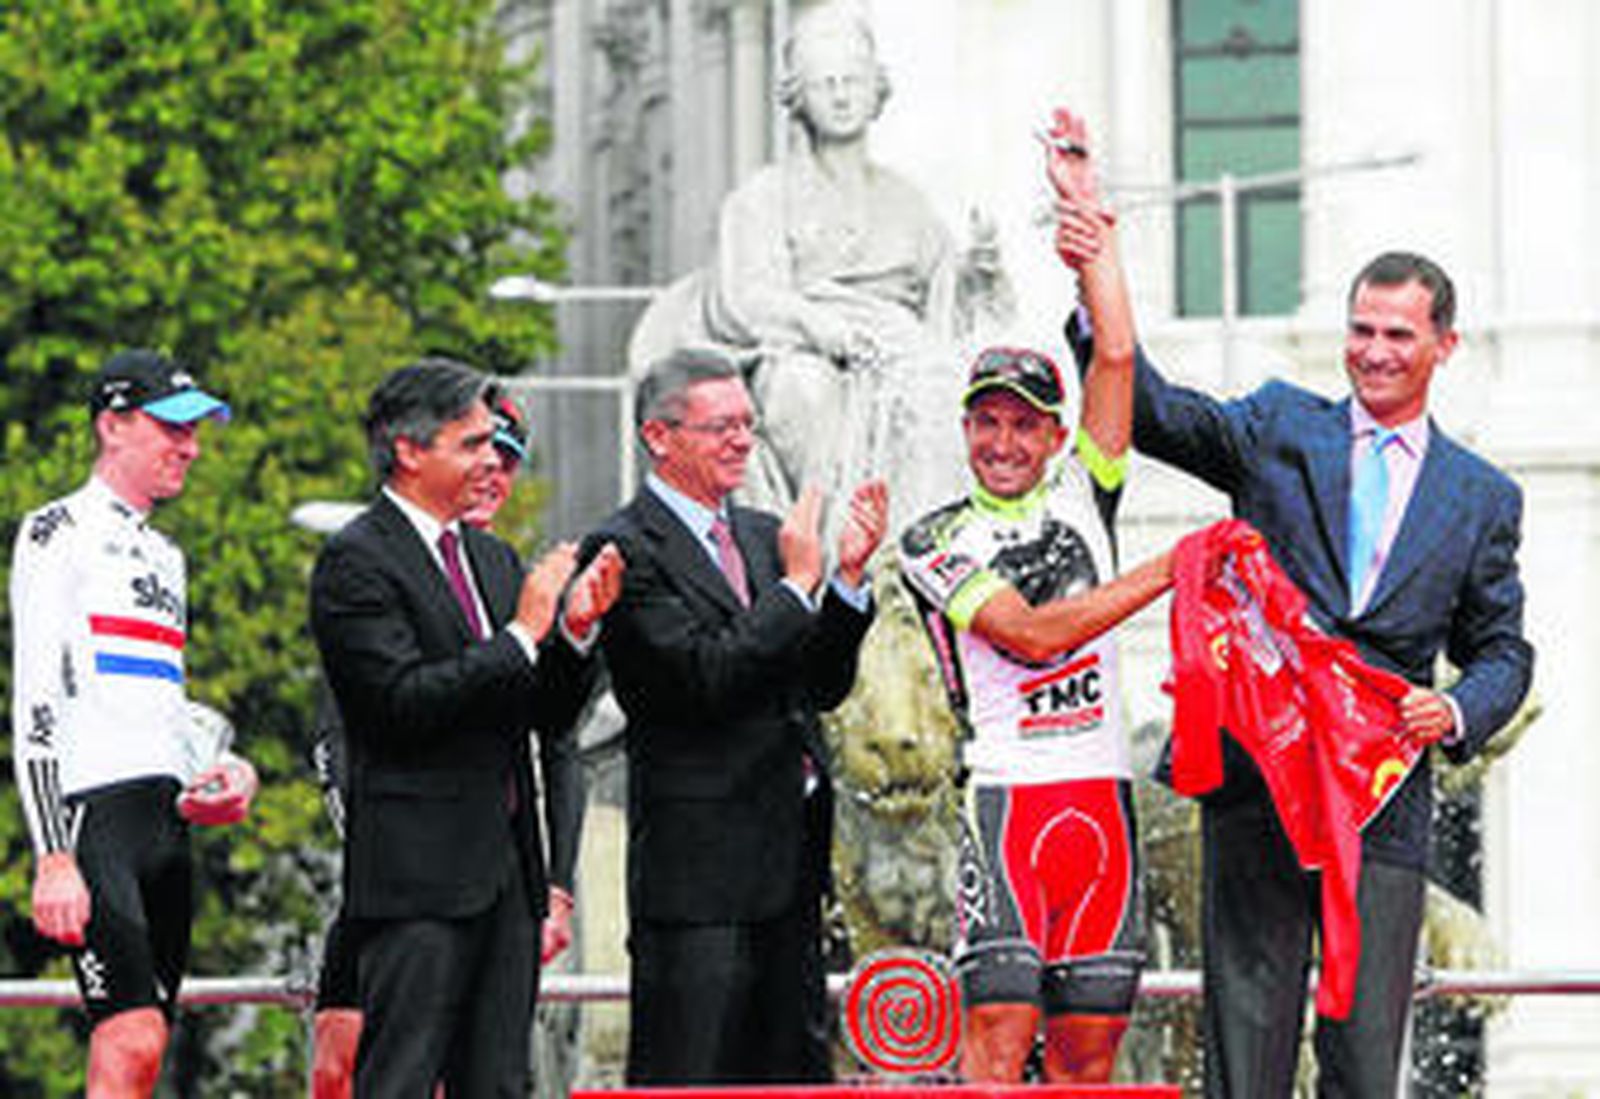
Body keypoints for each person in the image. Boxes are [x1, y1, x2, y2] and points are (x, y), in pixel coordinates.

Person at [1056, 169, 1535, 1090]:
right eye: (1362, 329)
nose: (1375, 351)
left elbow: (1504, 650)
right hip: (1256, 788)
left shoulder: (1482, 496)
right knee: (1246, 1053)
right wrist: (1095, 269)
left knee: (1364, 1058)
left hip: (1382, 796)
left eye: (1399, 334)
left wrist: (1461, 707)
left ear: (1444, 344)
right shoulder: (1279, 426)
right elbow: (1151, 408)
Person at [898, 112, 1175, 1084]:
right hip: (1005, 807)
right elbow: (1030, 635)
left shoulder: (1082, 493)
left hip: (1101, 802)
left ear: (1056, 438)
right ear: (966, 429)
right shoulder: (933, 537)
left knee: (1088, 1064)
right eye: (987, 424)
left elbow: (1116, 360)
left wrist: (1085, 219)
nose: (1004, 442)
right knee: (998, 1047)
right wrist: (1170, 570)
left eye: (1024, 425)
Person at [309, 358, 624, 1098]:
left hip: (504, 883)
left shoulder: (489, 556)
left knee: (500, 1082)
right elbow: (399, 705)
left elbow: (542, 715)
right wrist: (520, 634)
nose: (492, 458)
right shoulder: (356, 560)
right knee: (401, 1078)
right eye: (474, 442)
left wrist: (575, 633)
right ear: (410, 450)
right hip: (416, 883)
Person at [584, 347, 888, 1084]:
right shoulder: (625, 547)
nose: (741, 441)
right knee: (696, 1070)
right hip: (696, 877)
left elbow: (816, 684)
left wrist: (844, 583)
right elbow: (701, 677)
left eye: (747, 424)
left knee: (790, 1071)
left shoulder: (762, 534)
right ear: (660, 436)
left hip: (788, 861)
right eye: (719, 426)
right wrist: (795, 589)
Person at [9, 349, 259, 1098]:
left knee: (148, 1049)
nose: (190, 446)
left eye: (196, 430)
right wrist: (54, 852)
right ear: (112, 426)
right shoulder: (56, 530)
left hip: (164, 821)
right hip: (93, 817)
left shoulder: (167, 555)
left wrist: (225, 763)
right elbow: (37, 696)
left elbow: (161, 698)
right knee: (131, 1033)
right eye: (171, 427)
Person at [699, 5, 969, 521]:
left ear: (876, 90)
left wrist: (979, 272)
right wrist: (816, 325)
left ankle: (924, 547)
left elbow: (946, 299)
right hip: (808, 356)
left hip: (901, 355)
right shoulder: (761, 198)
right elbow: (745, 298)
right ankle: (821, 550)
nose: (843, 95)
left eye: (853, 81)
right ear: (800, 97)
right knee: (808, 390)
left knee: (952, 394)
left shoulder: (908, 201)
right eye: (827, 84)